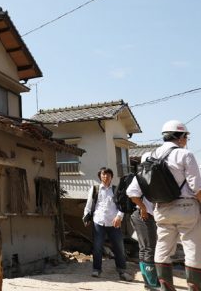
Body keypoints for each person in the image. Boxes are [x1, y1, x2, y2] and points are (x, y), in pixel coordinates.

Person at [151, 120, 201, 291]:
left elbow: (139, 187)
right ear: (180, 137)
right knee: (192, 248)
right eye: (186, 136)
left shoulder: (151, 155)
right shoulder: (185, 154)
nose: (186, 140)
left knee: (163, 248)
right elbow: (197, 188)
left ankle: (166, 288)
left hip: (162, 209)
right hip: (186, 208)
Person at [82, 167, 133, 281]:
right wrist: (86, 217)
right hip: (98, 222)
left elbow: (122, 206)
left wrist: (119, 217)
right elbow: (89, 205)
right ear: (100, 176)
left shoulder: (116, 189)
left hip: (114, 223)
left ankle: (122, 272)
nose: (105, 177)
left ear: (111, 177)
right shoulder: (94, 189)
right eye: (103, 175)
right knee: (97, 247)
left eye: (108, 175)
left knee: (119, 248)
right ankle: (96, 270)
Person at [128, 152, 159, 289]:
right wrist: (143, 208)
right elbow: (131, 193)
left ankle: (148, 282)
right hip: (144, 216)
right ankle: (152, 282)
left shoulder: (151, 176)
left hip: (144, 216)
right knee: (149, 249)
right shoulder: (142, 176)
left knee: (144, 248)